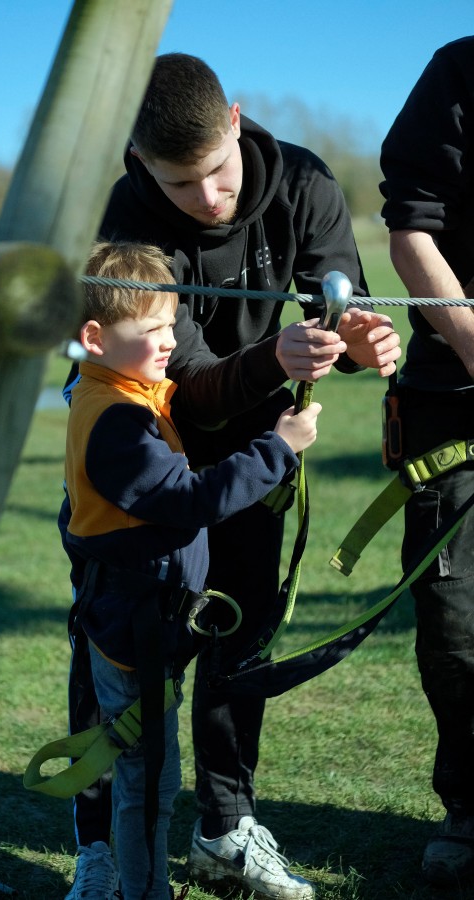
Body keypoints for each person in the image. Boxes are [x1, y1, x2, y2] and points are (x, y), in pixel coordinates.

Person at [65, 53, 401, 900]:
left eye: (217, 170)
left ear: (240, 121)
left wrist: (361, 346)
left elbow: (341, 298)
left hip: (257, 451)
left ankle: (224, 827)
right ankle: (98, 847)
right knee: (119, 652)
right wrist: (269, 365)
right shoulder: (128, 217)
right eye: (183, 185)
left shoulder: (306, 181)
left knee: (239, 637)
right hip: (149, 455)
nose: (209, 199)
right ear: (144, 167)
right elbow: (187, 382)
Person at [64, 239, 321, 900]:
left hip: (146, 619)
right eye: (149, 330)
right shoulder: (117, 421)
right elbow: (190, 500)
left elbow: (191, 395)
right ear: (95, 337)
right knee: (148, 778)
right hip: (133, 628)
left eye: (170, 325)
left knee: (145, 768)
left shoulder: (128, 390)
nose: (168, 342)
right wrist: (278, 450)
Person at [379, 36, 474, 889]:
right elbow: (413, 231)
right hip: (456, 397)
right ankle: (470, 805)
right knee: (456, 623)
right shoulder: (458, 73)